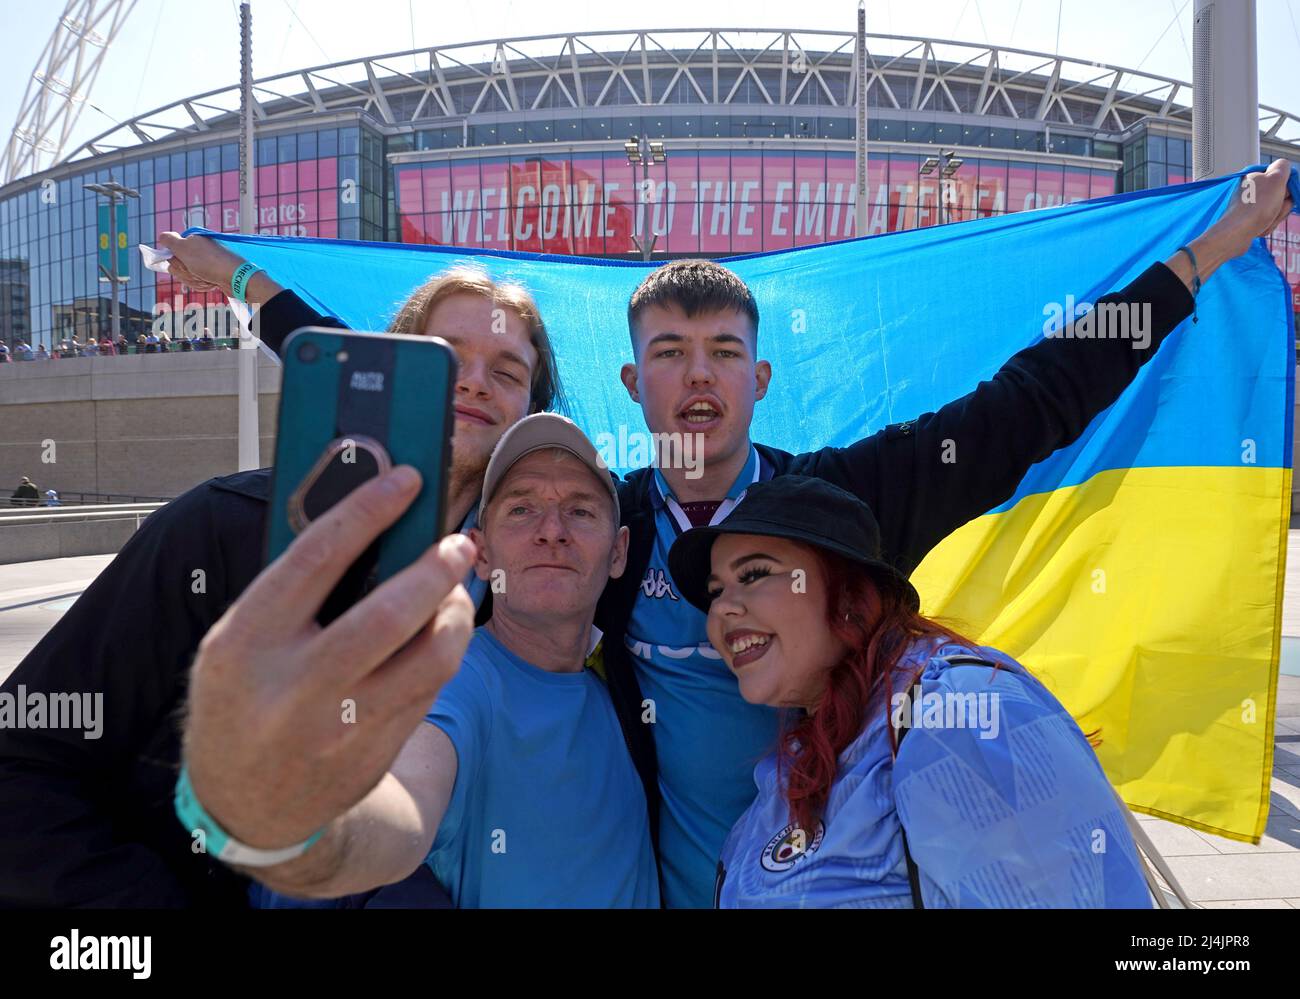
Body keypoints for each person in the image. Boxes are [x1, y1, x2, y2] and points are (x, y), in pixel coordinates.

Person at [155, 158, 1296, 910]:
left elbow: (1036, 396)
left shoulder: (846, 506)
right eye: (667, 353)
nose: (694, 377)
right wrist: (252, 290)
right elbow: (408, 404)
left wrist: (1196, 258)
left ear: (758, 377)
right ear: (631, 381)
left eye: (718, 354)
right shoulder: (601, 528)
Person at [0, 262, 590, 908]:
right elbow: (22, 765)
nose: (475, 382)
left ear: (529, 411)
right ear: (389, 375)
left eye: (506, 371)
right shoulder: (220, 528)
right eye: (445, 359)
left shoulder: (533, 587)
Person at [205, 414, 658, 909]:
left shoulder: (629, 688)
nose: (552, 531)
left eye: (581, 511)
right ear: (480, 554)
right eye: (522, 509)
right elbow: (402, 802)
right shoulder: (452, 682)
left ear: (618, 553)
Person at [667, 475, 1152, 908]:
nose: (723, 609)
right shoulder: (794, 759)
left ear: (851, 596)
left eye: (753, 575)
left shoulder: (962, 715)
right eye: (716, 591)